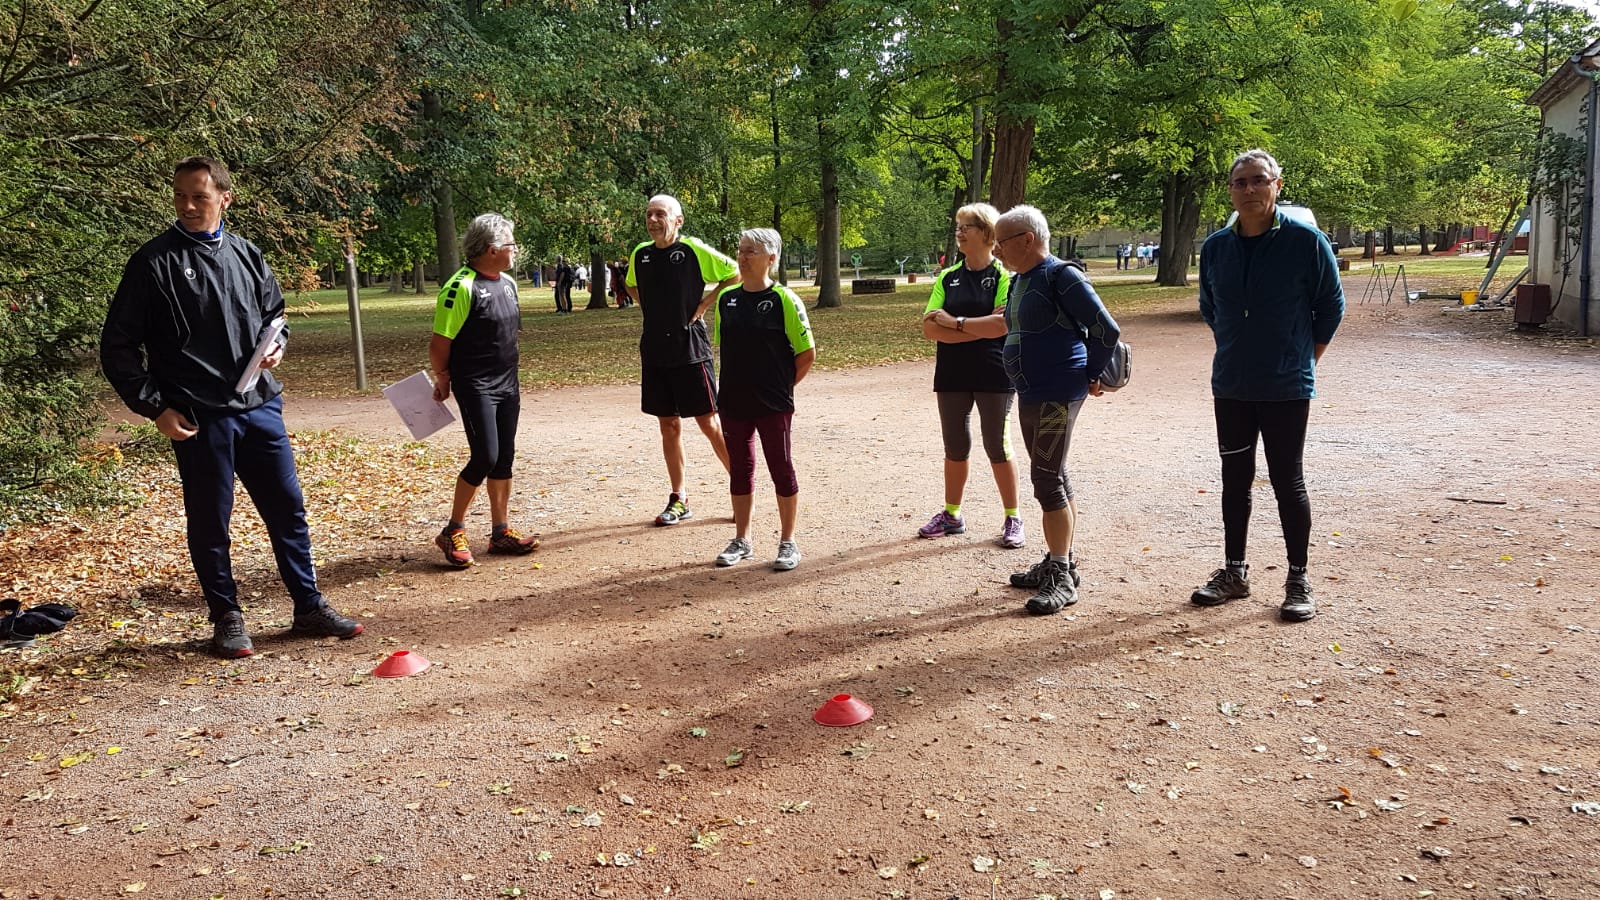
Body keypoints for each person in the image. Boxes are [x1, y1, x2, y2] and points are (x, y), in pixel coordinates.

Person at [100, 156, 364, 658]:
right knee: (210, 521)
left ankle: (307, 605)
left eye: (199, 196)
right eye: (180, 195)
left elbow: (275, 314)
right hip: (199, 417)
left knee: (288, 510)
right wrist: (155, 407)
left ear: (225, 198)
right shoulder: (153, 263)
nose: (187, 205)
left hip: (259, 407)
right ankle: (226, 616)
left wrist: (278, 344)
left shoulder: (247, 254)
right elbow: (117, 347)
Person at [1191, 149, 1344, 622]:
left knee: (1286, 479)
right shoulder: (1216, 246)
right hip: (1232, 384)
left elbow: (1331, 307)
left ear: (1277, 185)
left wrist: (1302, 359)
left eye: (1260, 180)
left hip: (1286, 385)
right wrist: (1238, 347)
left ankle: (1298, 577)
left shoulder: (1306, 242)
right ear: (1231, 190)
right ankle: (1234, 571)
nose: (1250, 189)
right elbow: (1210, 306)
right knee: (1234, 480)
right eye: (1241, 182)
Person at [991, 205, 1122, 616]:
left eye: (1002, 241)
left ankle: (1062, 575)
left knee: (1046, 478)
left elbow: (1106, 329)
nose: (996, 250)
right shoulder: (1020, 281)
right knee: (1054, 474)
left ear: (1027, 239)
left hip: (1057, 393)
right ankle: (1059, 559)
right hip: (1031, 392)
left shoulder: (1061, 276)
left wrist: (1094, 373)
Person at [428, 214, 541, 568]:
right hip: (475, 384)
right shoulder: (460, 287)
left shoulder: (507, 283)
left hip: (508, 381)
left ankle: (500, 531)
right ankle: (453, 529)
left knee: (504, 457)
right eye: (511, 245)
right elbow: (439, 342)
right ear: (492, 250)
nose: (515, 250)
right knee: (485, 456)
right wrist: (443, 378)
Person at [625, 194, 737, 525]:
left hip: (691, 348)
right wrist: (653, 307)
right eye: (649, 214)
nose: (653, 219)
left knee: (709, 423)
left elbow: (734, 273)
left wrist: (705, 304)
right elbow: (632, 286)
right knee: (668, 425)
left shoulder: (692, 250)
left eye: (660, 214)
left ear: (678, 220)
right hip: (655, 350)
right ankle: (680, 498)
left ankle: (741, 488)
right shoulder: (640, 254)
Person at [917, 203, 1023, 548]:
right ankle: (952, 515)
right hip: (951, 374)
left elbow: (1004, 324)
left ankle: (1012, 517)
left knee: (997, 445)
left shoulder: (1006, 277)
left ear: (988, 235)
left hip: (995, 373)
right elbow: (930, 328)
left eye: (968, 227)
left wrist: (957, 323)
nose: (959, 232)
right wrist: (979, 327)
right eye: (958, 226)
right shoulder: (948, 278)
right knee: (955, 446)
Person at [711, 228, 815, 571]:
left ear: (772, 258)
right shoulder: (727, 300)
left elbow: (806, 353)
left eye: (751, 251)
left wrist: (783, 389)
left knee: (781, 468)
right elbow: (723, 349)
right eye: (740, 250)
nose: (742, 257)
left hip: (773, 403)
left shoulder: (785, 299)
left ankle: (788, 541)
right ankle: (742, 539)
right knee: (740, 470)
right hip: (734, 401)